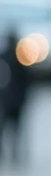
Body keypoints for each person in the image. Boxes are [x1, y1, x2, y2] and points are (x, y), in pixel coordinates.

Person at [0, 31, 31, 166]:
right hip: (16, 100)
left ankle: (9, 154)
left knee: (6, 128)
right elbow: (27, 81)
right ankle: (14, 154)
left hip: (7, 100)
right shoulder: (20, 60)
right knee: (16, 129)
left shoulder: (4, 58)